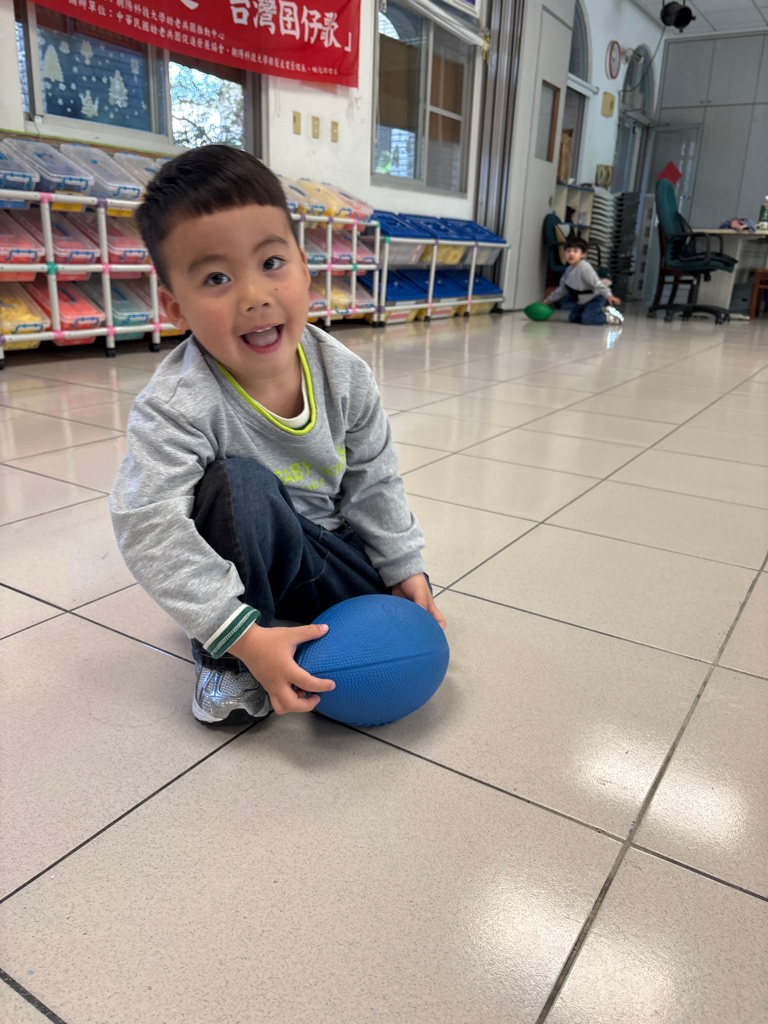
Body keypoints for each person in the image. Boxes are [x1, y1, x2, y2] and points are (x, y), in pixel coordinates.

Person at [110, 145, 444, 726]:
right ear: (174, 308)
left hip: (325, 554)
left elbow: (374, 480)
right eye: (216, 278)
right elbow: (147, 522)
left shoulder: (344, 375)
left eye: (271, 263)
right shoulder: (175, 404)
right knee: (238, 484)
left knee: (396, 604)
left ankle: (310, 616)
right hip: (239, 569)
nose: (254, 296)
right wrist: (232, 631)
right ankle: (227, 661)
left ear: (304, 268)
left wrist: (403, 567)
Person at [543, 237, 623, 325]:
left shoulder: (585, 268)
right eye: (568, 251)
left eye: (575, 251)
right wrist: (549, 300)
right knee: (573, 318)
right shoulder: (567, 271)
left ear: (583, 254)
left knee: (588, 320)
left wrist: (609, 295)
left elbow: (597, 284)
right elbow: (562, 289)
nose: (571, 254)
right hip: (582, 301)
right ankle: (591, 311)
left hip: (595, 298)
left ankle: (607, 315)